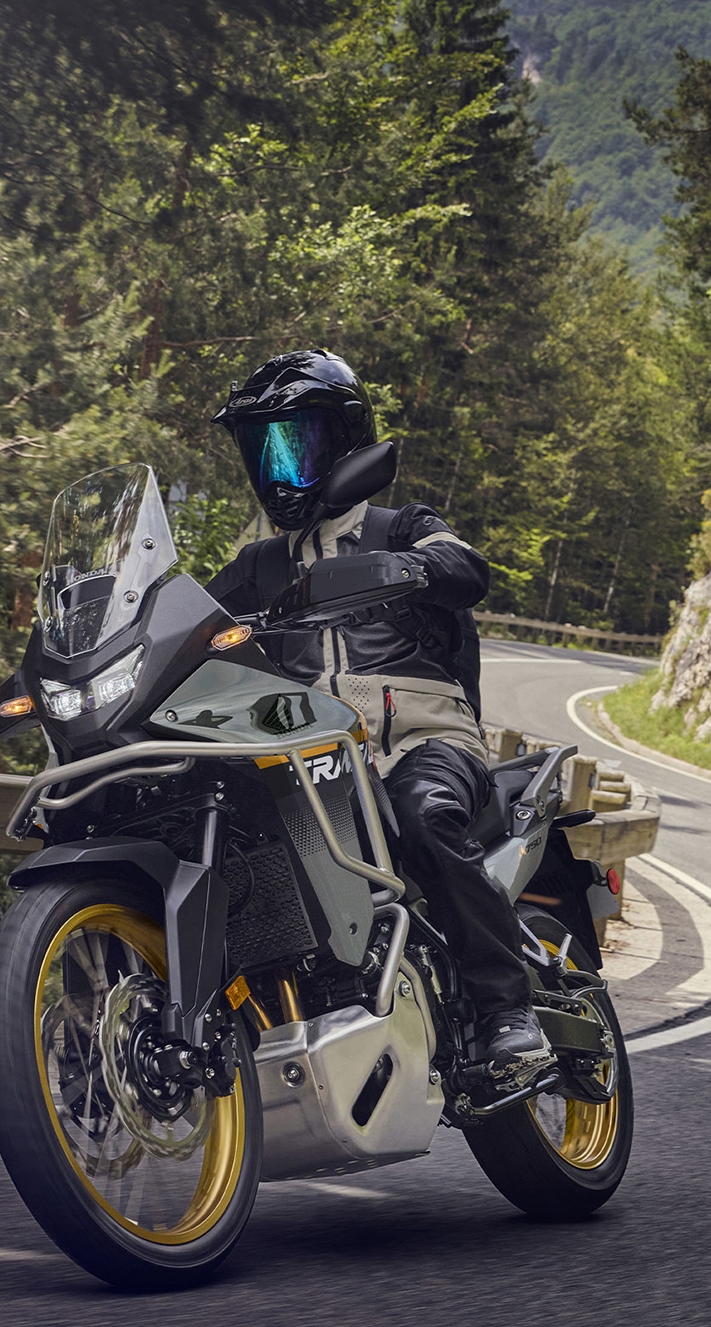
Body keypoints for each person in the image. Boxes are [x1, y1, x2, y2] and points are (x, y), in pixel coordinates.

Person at [202, 350, 551, 1087]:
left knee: (421, 816)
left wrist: (417, 567)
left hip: (424, 740)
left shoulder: (401, 527)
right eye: (263, 451)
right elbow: (183, 621)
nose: (278, 470)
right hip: (313, 763)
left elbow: (465, 565)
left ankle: (505, 1009)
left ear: (345, 439)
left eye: (295, 445)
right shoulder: (258, 567)